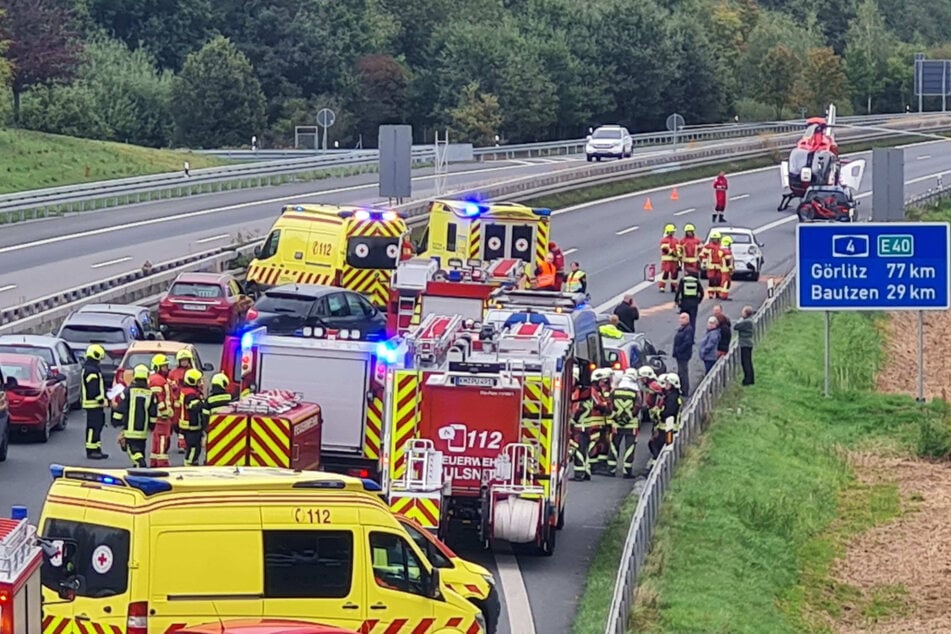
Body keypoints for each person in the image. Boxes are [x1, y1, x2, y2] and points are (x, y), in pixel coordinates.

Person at [112, 364, 157, 468]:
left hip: (130, 429)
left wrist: (116, 420)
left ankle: (140, 462)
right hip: (143, 430)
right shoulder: (150, 393)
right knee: (140, 448)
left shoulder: (128, 391)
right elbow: (153, 412)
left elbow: (121, 407)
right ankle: (139, 468)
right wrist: (152, 425)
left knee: (132, 449)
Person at [608, 368, 640, 478]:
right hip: (631, 425)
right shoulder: (636, 392)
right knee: (629, 447)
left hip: (616, 425)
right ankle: (627, 471)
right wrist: (628, 418)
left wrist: (616, 417)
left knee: (614, 446)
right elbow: (639, 406)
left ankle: (611, 470)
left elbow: (610, 405)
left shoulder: (615, 391)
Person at [647, 373, 683, 470]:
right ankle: (657, 468)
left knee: (657, 448)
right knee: (656, 446)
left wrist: (657, 412)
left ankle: (656, 469)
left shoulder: (672, 398)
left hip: (667, 429)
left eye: (667, 384)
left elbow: (667, 413)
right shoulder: (671, 396)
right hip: (666, 429)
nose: (665, 385)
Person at [81, 344, 110, 460]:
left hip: (95, 405)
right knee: (93, 427)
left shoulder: (91, 368)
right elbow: (93, 388)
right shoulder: (92, 371)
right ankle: (91, 450)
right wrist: (102, 400)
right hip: (93, 404)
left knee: (98, 426)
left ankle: (97, 448)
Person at [147, 354, 174, 467]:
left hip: (158, 415)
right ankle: (162, 462)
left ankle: (154, 461)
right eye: (164, 366)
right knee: (163, 438)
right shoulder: (157, 380)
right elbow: (158, 397)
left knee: (156, 439)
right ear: (157, 367)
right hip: (161, 415)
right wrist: (164, 410)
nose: (166, 369)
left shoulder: (158, 379)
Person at [167, 349, 194, 454]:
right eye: (182, 360)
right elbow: (169, 386)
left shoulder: (192, 371)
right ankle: (181, 443)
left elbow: (199, 386)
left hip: (188, 402)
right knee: (176, 425)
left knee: (187, 424)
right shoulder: (173, 373)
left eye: (186, 360)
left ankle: (184, 443)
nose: (184, 362)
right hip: (177, 403)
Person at [589, 368, 614, 475]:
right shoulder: (592, 391)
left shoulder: (600, 392)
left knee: (602, 443)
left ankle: (600, 464)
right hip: (594, 422)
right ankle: (592, 465)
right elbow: (599, 404)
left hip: (601, 422)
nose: (606, 383)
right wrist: (606, 405)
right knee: (594, 443)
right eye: (604, 381)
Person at [179, 369, 206, 466]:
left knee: (195, 448)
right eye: (199, 381)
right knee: (193, 449)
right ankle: (189, 465)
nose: (201, 383)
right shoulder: (191, 394)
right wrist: (204, 403)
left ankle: (192, 463)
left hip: (189, 426)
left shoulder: (188, 391)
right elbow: (194, 407)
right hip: (191, 426)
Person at [672, 312, 694, 397]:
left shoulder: (688, 330)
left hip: (683, 355)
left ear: (687, 319)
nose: (680, 320)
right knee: (681, 372)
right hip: (680, 354)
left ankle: (684, 391)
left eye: (682, 318)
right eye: (680, 318)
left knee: (683, 373)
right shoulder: (683, 328)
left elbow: (687, 342)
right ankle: (682, 389)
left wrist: (679, 350)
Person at [735, 305, 756, 385]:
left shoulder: (746, 322)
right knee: (748, 362)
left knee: (746, 362)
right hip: (747, 342)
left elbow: (736, 326)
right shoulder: (749, 321)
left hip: (745, 343)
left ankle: (748, 379)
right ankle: (750, 379)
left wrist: (741, 319)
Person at [658, 224, 681, 293]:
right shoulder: (664, 240)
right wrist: (672, 253)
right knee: (666, 274)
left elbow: (679, 248)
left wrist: (678, 254)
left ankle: (673, 287)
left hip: (674, 261)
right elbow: (664, 249)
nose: (673, 233)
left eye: (673, 231)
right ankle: (662, 286)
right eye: (671, 231)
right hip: (667, 261)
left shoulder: (675, 240)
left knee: (674, 275)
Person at [701, 231, 723, 299]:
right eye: (713, 239)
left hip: (720, 266)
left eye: (716, 239)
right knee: (711, 279)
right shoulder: (708, 247)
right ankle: (710, 293)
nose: (715, 240)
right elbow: (703, 255)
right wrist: (704, 262)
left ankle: (718, 293)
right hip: (711, 265)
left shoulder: (722, 246)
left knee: (719, 279)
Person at [719, 236, 735, 300]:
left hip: (723, 268)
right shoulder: (726, 251)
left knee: (724, 282)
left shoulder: (721, 250)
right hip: (726, 269)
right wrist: (730, 268)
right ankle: (724, 296)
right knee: (726, 282)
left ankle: (723, 295)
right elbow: (728, 260)